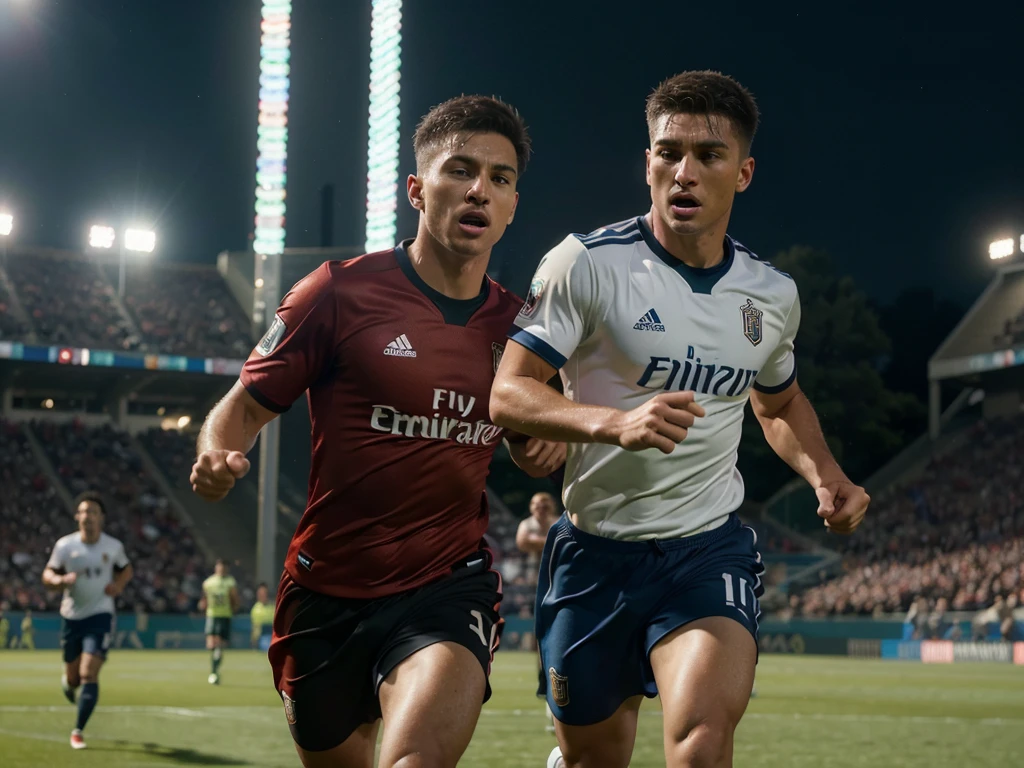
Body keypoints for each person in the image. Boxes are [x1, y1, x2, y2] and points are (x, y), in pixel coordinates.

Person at [489, 70, 871, 768]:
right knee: (591, 759)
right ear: (647, 163)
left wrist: (827, 474)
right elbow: (509, 393)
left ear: (744, 172)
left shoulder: (771, 295)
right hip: (592, 554)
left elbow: (778, 402)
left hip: (706, 551)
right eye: (668, 153)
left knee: (700, 742)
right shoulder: (587, 263)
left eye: (709, 155)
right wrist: (611, 423)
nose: (684, 172)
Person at [190, 95, 564, 768]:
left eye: (501, 178)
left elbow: (537, 452)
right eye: (461, 170)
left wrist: (544, 447)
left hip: (448, 586)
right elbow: (242, 407)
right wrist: (217, 455)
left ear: (511, 206)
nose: (481, 189)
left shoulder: (521, 331)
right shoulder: (336, 293)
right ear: (417, 190)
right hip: (324, 591)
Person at [41, 491, 133, 750]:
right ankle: (68, 683)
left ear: (101, 518)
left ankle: (78, 730)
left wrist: (117, 585)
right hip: (72, 617)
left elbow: (127, 569)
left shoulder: (113, 547)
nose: (87, 516)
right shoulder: (65, 546)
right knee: (73, 678)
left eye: (93, 512)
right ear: (76, 517)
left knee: (88, 673)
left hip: (101, 615)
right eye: (83, 512)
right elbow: (47, 574)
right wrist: (60, 580)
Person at [516, 491, 560, 730]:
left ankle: (553, 696)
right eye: (535, 504)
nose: (539, 508)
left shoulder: (559, 521)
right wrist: (552, 540)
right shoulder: (530, 525)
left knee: (552, 642)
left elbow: (529, 541)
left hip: (558, 588)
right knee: (540, 644)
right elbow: (522, 541)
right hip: (535, 590)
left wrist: (540, 540)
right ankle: (548, 690)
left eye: (543, 504)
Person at [200, 559, 239, 684]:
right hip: (212, 615)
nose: (221, 569)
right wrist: (202, 606)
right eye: (219, 567)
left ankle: (214, 672)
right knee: (211, 644)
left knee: (219, 645)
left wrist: (234, 610)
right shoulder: (208, 583)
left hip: (225, 616)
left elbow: (234, 599)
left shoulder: (230, 582)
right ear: (216, 567)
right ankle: (215, 668)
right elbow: (205, 598)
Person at [250, 582, 275, 651]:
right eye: (260, 594)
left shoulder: (274, 607)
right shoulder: (255, 609)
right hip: (262, 639)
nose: (263, 595)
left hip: (273, 637)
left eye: (264, 593)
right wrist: (254, 643)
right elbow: (255, 630)